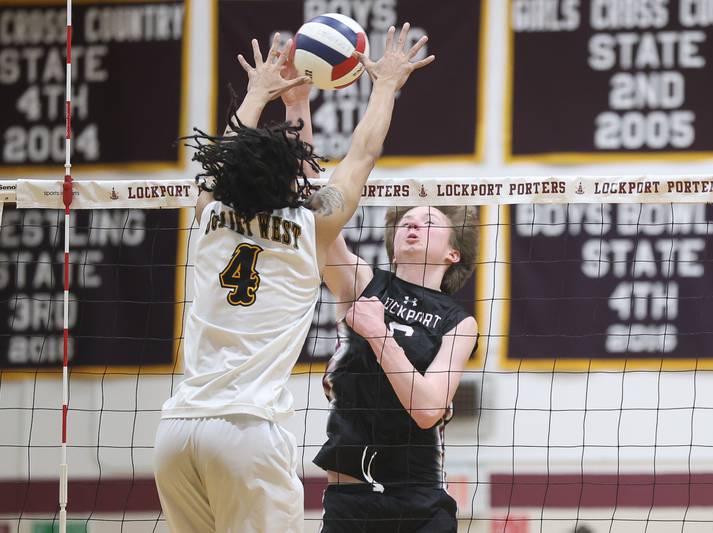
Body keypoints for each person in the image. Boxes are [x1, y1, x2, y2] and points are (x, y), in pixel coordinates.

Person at [153, 24, 434, 533]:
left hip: (175, 432)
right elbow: (361, 157)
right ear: (294, 181)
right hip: (247, 431)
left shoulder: (208, 215)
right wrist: (387, 86)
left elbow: (221, 161)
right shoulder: (310, 227)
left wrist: (261, 93)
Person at [313, 203, 480, 532]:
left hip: (419, 501)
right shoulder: (364, 282)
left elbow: (428, 408)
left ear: (453, 253)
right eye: (406, 222)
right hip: (350, 498)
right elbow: (322, 227)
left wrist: (378, 333)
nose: (413, 226)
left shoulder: (459, 322)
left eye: (428, 222)